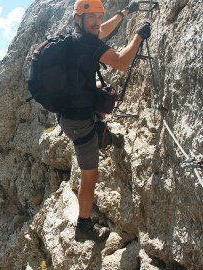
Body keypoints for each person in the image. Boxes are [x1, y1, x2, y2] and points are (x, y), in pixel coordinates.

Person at [58, 0, 151, 242]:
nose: (97, 22)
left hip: (69, 110)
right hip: (78, 121)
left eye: (100, 16)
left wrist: (124, 12)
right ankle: (83, 226)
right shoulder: (87, 43)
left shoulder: (77, 37)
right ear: (79, 19)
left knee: (103, 90)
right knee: (91, 175)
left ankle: (100, 131)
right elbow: (121, 62)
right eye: (92, 18)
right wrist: (139, 37)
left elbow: (102, 30)